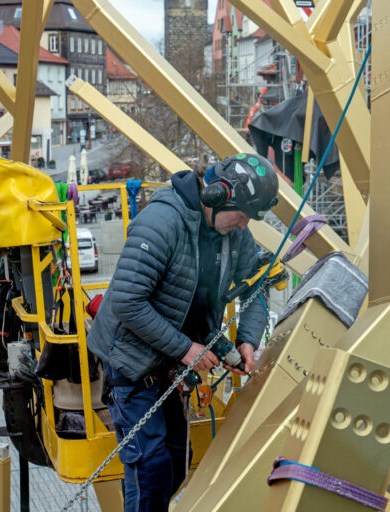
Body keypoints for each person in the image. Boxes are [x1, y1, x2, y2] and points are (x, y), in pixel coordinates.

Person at [87, 153, 279, 511]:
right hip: (131, 361)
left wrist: (248, 340)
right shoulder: (163, 221)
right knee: (151, 468)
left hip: (171, 360)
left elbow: (255, 286)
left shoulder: (233, 234)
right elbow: (127, 302)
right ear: (217, 197)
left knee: (176, 462)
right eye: (240, 217)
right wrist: (185, 348)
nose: (242, 227)